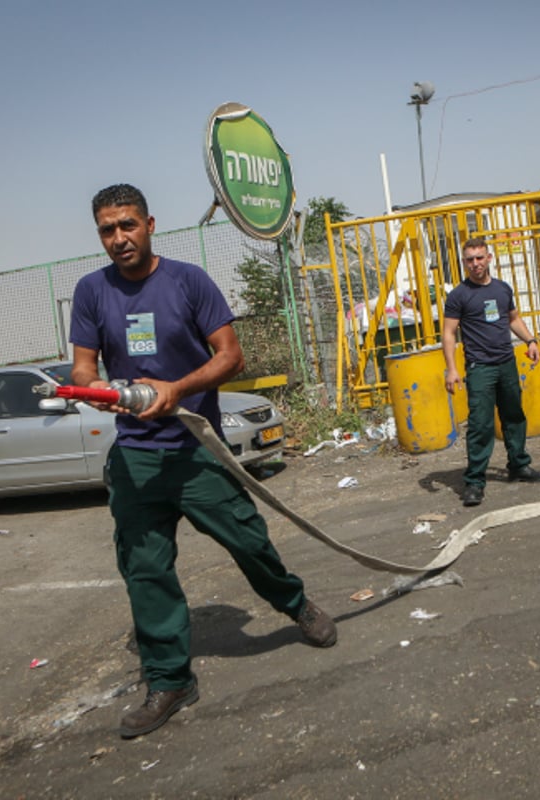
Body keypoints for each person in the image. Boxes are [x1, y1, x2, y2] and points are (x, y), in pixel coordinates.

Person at [69, 184, 336, 740]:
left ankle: (295, 603)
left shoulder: (187, 281)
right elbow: (82, 370)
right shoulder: (91, 292)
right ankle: (169, 679)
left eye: (127, 225)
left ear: (149, 224)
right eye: (107, 230)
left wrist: (175, 389)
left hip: (196, 448)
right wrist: (106, 393)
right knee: (145, 570)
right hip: (137, 459)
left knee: (248, 540)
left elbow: (230, 355)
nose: (118, 238)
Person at [442, 236, 540, 507]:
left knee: (514, 415)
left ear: (489, 258)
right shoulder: (458, 295)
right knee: (480, 424)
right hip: (480, 368)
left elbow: (513, 318)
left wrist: (531, 341)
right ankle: (475, 481)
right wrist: (451, 369)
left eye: (480, 258)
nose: (475, 264)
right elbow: (449, 332)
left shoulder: (502, 289)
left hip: (506, 363)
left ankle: (518, 465)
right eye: (470, 260)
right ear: (464, 263)